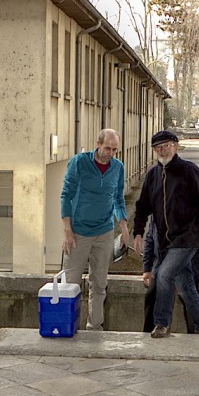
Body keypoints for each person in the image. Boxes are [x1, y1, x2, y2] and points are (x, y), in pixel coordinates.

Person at [132, 130, 199, 338]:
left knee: (163, 274)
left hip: (189, 238)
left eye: (166, 145)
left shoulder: (190, 171)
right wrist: (137, 232)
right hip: (165, 242)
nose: (162, 150)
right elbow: (142, 206)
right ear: (154, 151)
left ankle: (161, 323)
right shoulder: (153, 175)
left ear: (175, 146)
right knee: (185, 284)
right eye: (158, 148)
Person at [61, 129, 130, 331]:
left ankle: (95, 327)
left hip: (104, 231)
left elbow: (118, 198)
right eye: (107, 148)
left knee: (99, 283)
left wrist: (124, 227)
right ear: (97, 144)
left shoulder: (118, 167)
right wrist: (67, 229)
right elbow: (66, 194)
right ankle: (67, 326)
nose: (110, 153)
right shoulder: (79, 162)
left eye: (115, 150)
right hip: (78, 232)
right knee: (71, 283)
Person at [142, 216, 199, 334]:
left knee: (190, 307)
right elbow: (150, 238)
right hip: (160, 268)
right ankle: (153, 336)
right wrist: (147, 268)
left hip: (186, 268)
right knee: (151, 303)